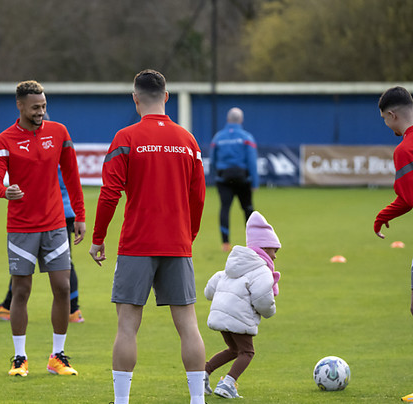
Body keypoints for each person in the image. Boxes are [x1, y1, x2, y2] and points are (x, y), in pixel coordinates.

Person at [89, 69, 207, 404]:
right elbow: (198, 197)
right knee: (188, 325)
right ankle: (197, 400)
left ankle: (121, 401)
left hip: (137, 244)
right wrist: (188, 235)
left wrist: (98, 238)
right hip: (177, 243)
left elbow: (109, 193)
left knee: (127, 325)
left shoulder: (125, 138)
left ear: (135, 98)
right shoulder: (188, 141)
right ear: (166, 97)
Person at [0, 80, 86, 377]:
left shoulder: (59, 133)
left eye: (43, 106)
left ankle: (58, 356)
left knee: (63, 288)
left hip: (55, 224)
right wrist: (5, 191)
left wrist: (79, 215)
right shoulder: (3, 140)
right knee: (21, 291)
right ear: (20, 106)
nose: (41, 111)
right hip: (22, 228)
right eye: (35, 107)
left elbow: (72, 175)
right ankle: (19, 357)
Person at [0, 168, 84, 323]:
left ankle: (71, 310)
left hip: (49, 213)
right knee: (59, 262)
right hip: (64, 211)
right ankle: (72, 310)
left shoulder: (49, 156)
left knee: (27, 262)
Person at [203, 211, 280, 399]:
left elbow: (210, 288)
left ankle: (203, 373)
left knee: (234, 350)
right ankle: (228, 383)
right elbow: (263, 298)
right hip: (238, 317)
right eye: (274, 251)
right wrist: (270, 311)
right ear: (264, 248)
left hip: (221, 315)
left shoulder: (234, 265)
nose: (275, 257)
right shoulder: (261, 270)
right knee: (247, 352)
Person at [374, 86, 413, 403]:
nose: (387, 126)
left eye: (385, 120)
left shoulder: (404, 149)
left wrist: (381, 216)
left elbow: (409, 197)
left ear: (391, 115)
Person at [210, 107, 259, 252]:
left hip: (223, 178)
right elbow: (252, 161)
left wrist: (217, 173)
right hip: (243, 178)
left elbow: (212, 160)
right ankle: (253, 243)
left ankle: (225, 243)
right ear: (241, 120)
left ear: (227, 119)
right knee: (248, 209)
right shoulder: (246, 137)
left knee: (225, 208)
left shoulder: (218, 137)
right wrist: (255, 182)